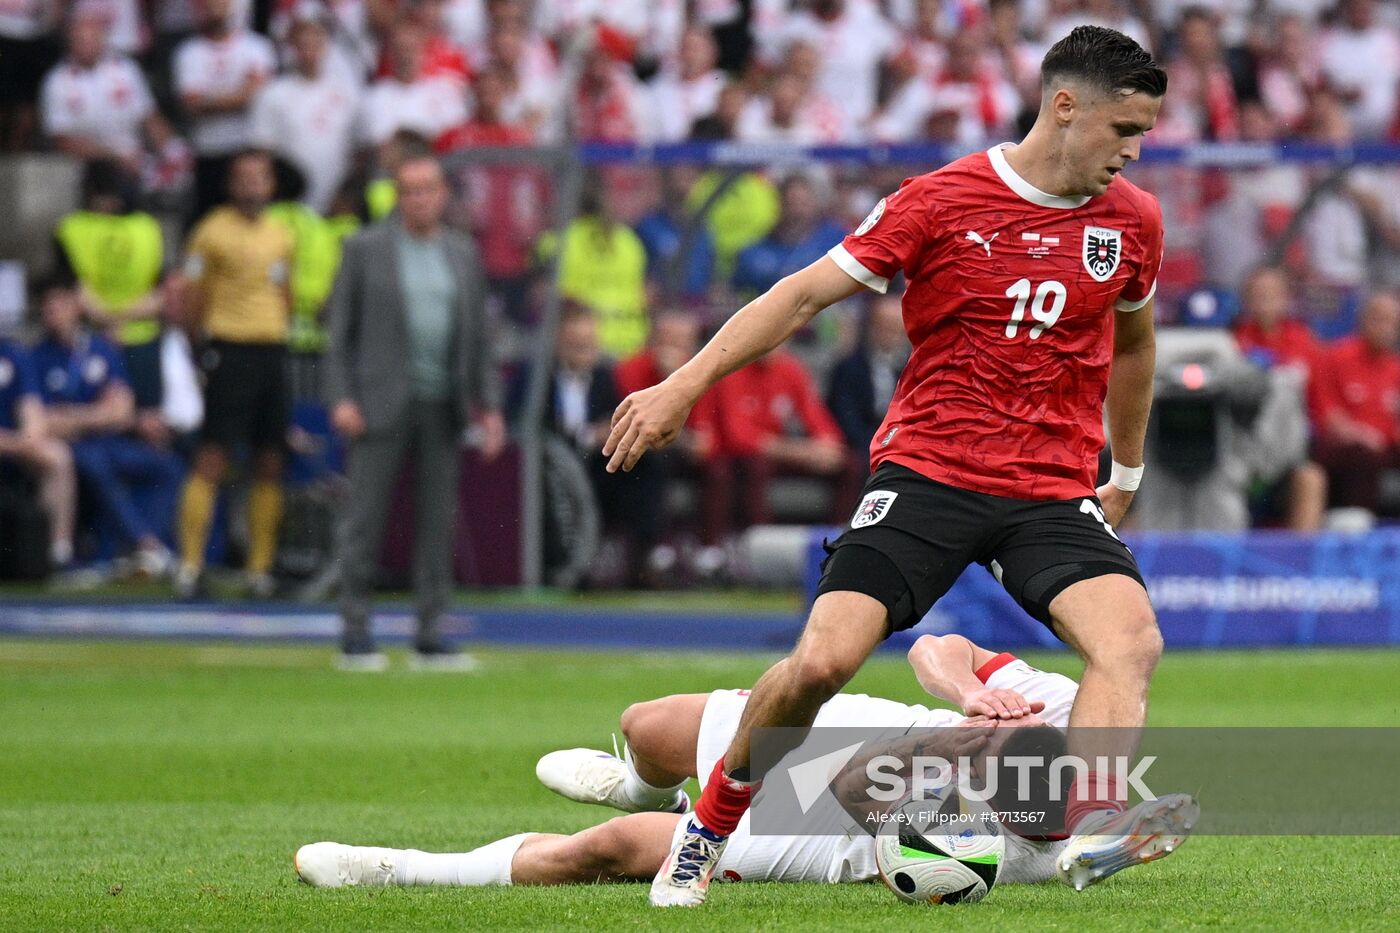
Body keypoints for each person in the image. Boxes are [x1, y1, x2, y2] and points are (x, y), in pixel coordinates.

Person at [604, 26, 1169, 906]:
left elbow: (1134, 344)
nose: (1133, 152)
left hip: (1049, 487)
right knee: (822, 663)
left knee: (1130, 641)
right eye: (1123, 130)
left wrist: (1124, 471)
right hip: (928, 472)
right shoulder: (940, 201)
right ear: (1066, 107)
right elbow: (798, 296)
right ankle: (708, 825)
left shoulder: (1132, 219)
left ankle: (1089, 830)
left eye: (1143, 134)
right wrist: (682, 385)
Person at [294, 634, 1197, 892]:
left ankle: (395, 868)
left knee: (608, 847)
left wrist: (923, 758)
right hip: (882, 722)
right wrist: (963, 697)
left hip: (842, 834)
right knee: (646, 724)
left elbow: (845, 792)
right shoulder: (1070, 712)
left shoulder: (1014, 849)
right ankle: (642, 772)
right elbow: (939, 644)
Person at [324, 153, 505, 671]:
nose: (418, 198)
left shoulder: (461, 253)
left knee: (436, 524)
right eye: (408, 189)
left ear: (443, 194)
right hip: (379, 402)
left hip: (441, 401)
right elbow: (340, 334)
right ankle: (355, 632)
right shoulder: (364, 249)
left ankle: (430, 632)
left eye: (427, 188)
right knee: (365, 520)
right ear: (396, 195)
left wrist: (487, 405)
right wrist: (342, 397)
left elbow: (477, 339)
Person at [174, 148, 294, 599]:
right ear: (231, 185)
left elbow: (286, 290)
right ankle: (190, 566)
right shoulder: (211, 232)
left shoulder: (281, 233)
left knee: (270, 459)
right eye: (243, 178)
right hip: (230, 348)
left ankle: (259, 570)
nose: (252, 186)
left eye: (259, 178)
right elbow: (189, 294)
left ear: (271, 185)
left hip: (272, 350)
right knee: (213, 456)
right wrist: (199, 346)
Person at [31, 279, 181, 574]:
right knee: (95, 463)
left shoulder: (101, 349)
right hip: (75, 447)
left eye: (59, 303)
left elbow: (123, 412)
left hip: (108, 440)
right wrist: (98, 414)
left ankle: (146, 549)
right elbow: (42, 421)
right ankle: (145, 543)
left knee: (168, 466)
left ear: (76, 306)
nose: (52, 311)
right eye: (47, 306)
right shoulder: (37, 357)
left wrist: (75, 416)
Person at [174, 0, 276, 224]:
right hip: (209, 151)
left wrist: (210, 99)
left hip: (248, 148)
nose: (216, 8)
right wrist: (242, 93)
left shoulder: (256, 47)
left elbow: (261, 96)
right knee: (211, 222)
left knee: (250, 221)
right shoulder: (189, 52)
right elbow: (192, 105)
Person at [1308, 291, 1400, 516]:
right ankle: (1356, 525)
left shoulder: (1396, 368)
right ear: (1362, 319)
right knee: (1362, 455)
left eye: (1392, 322)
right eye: (1378, 318)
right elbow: (1328, 415)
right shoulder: (1335, 357)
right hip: (1344, 448)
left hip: (1386, 448)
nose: (1385, 327)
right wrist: (1362, 435)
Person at [0, 328, 75, 569]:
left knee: (57, 456)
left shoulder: (12, 355)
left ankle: (55, 554)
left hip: (9, 448)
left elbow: (33, 422)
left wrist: (20, 442)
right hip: (10, 444)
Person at [825, 292, 910, 458]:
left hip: (900, 445)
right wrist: (875, 447)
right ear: (872, 327)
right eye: (885, 327)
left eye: (896, 329)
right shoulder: (849, 368)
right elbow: (845, 416)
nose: (891, 335)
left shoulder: (911, 370)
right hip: (861, 446)